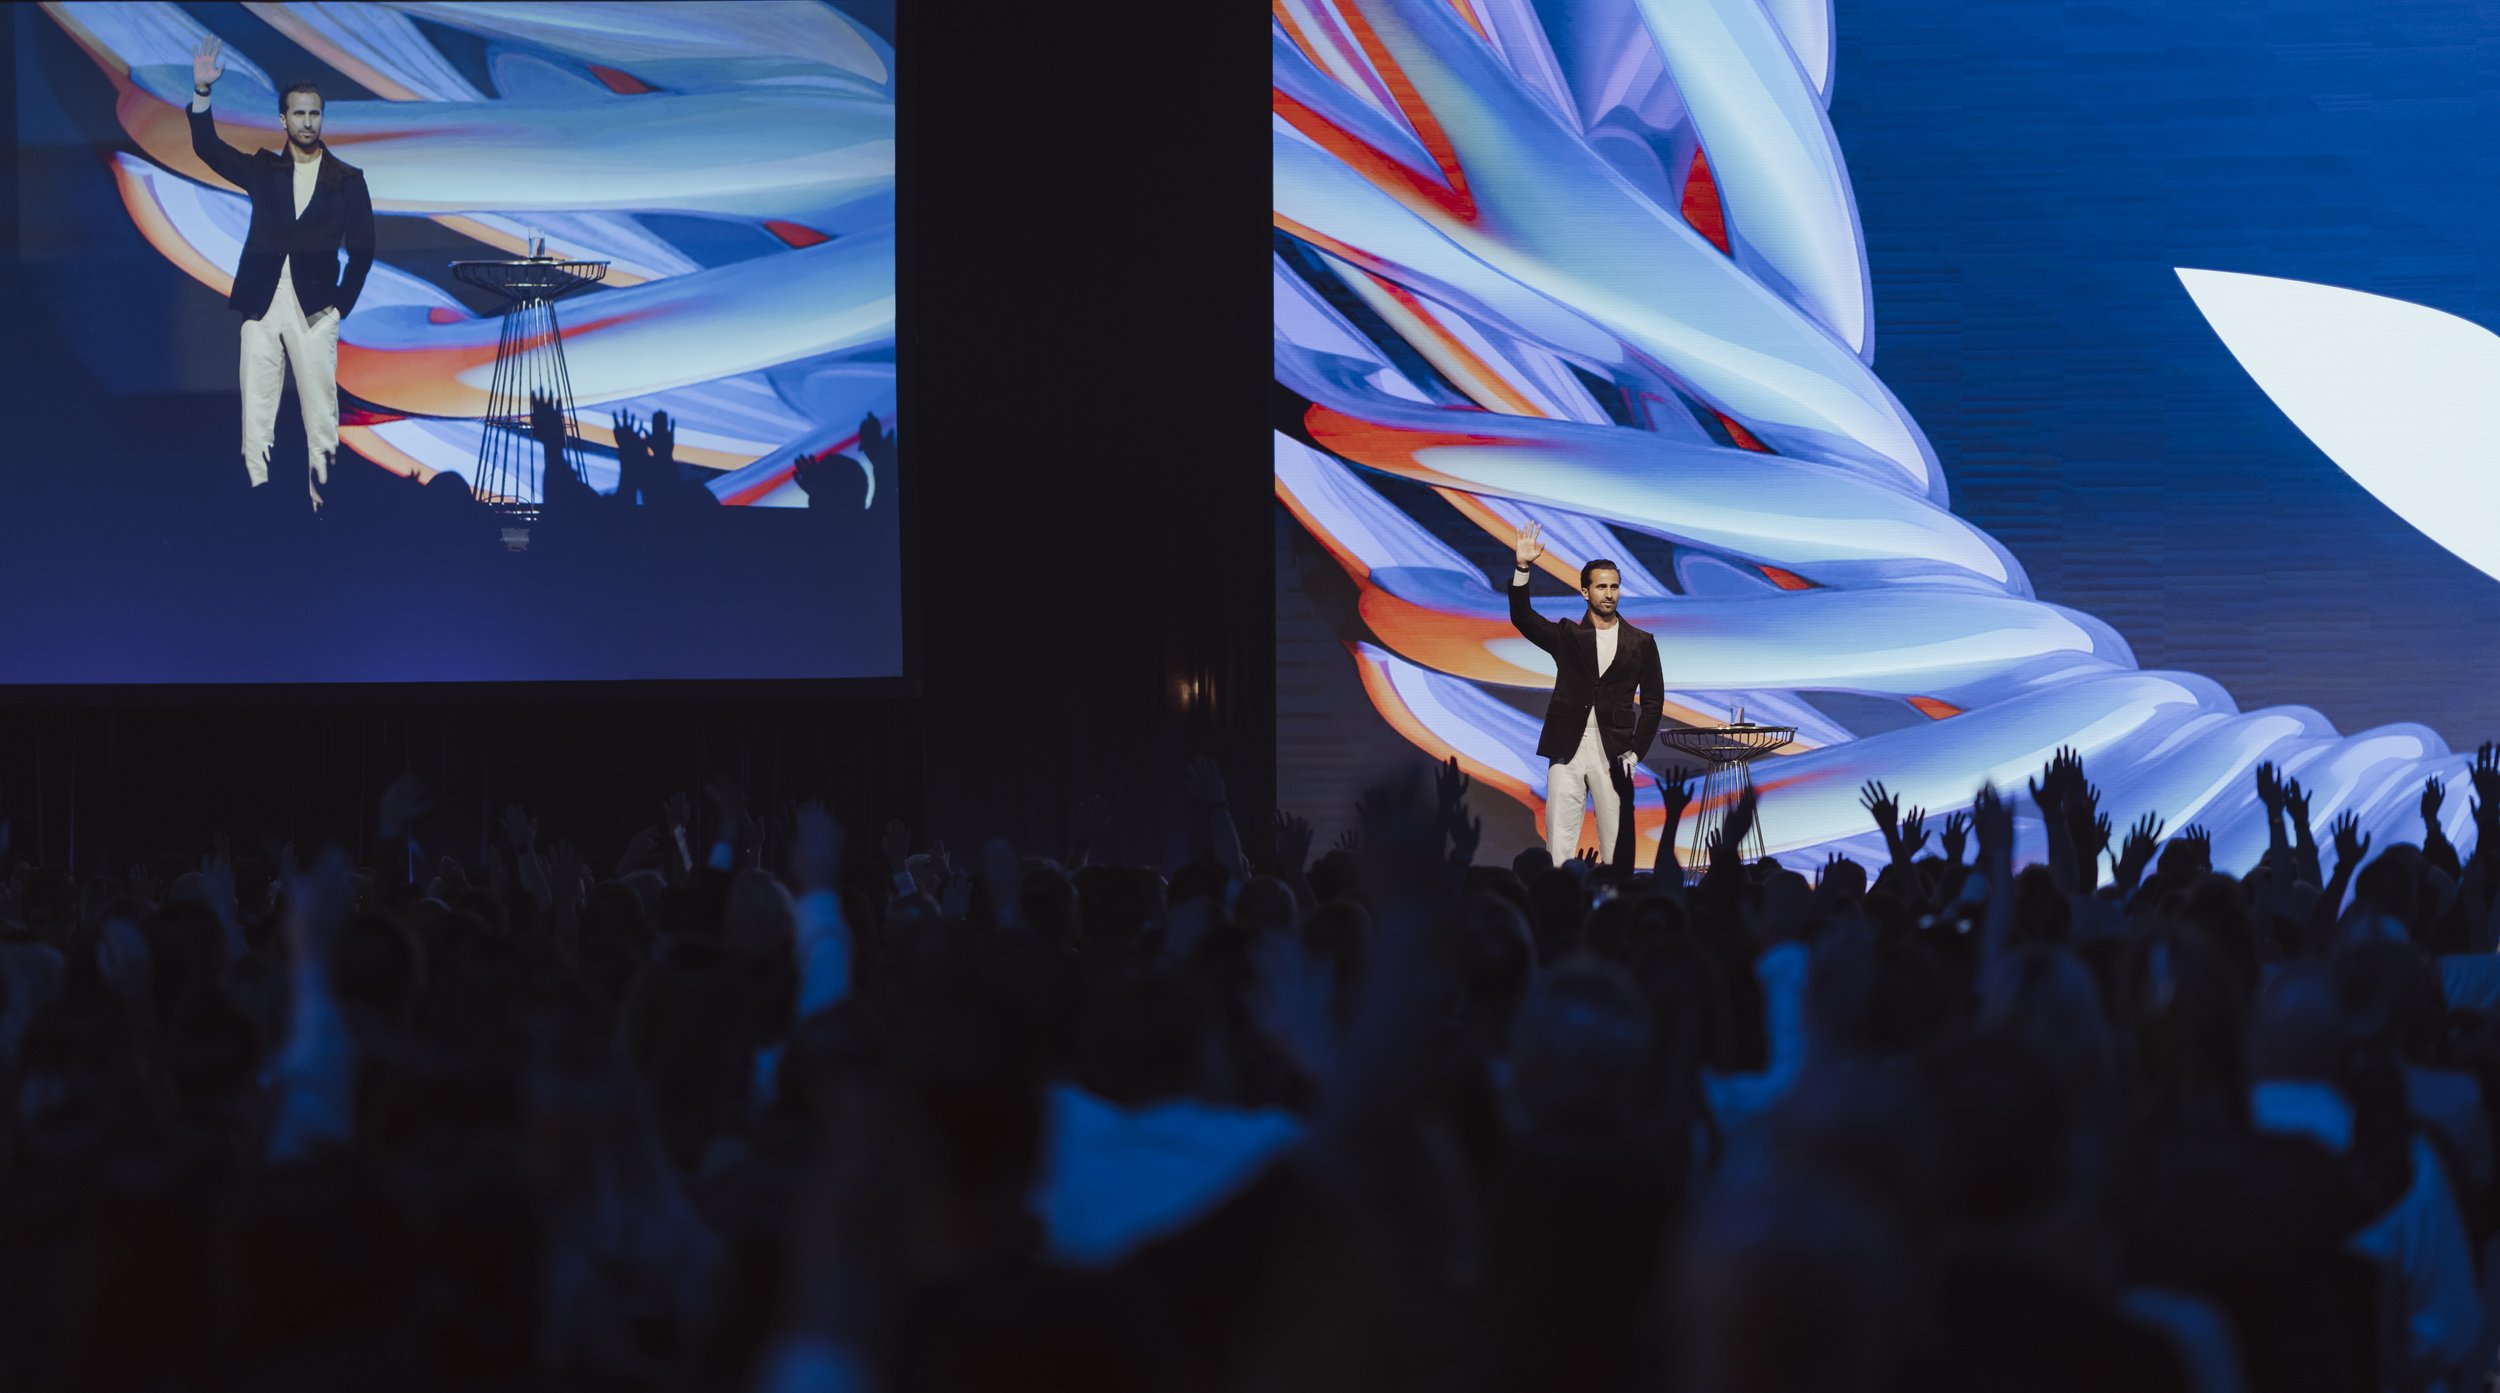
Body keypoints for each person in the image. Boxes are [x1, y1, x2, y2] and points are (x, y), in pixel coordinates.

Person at [188, 38, 375, 514]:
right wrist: (203, 93)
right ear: (283, 120)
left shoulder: (347, 179)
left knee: (321, 418)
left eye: (314, 114)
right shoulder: (264, 170)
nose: (307, 122)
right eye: (299, 114)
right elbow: (208, 148)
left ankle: (324, 511)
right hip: (262, 303)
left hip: (315, 311)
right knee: (257, 413)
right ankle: (258, 507)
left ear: (321, 118)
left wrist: (338, 308)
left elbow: (363, 249)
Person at [1507, 523, 1665, 868]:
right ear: (1585, 592)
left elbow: (1653, 704)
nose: (1609, 594)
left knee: (1617, 848)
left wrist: (1635, 753)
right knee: (1559, 844)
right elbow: (1522, 617)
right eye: (1601, 587)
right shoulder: (1567, 636)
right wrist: (1523, 568)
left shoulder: (1641, 642)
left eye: (1615, 587)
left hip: (1616, 751)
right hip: (1567, 747)